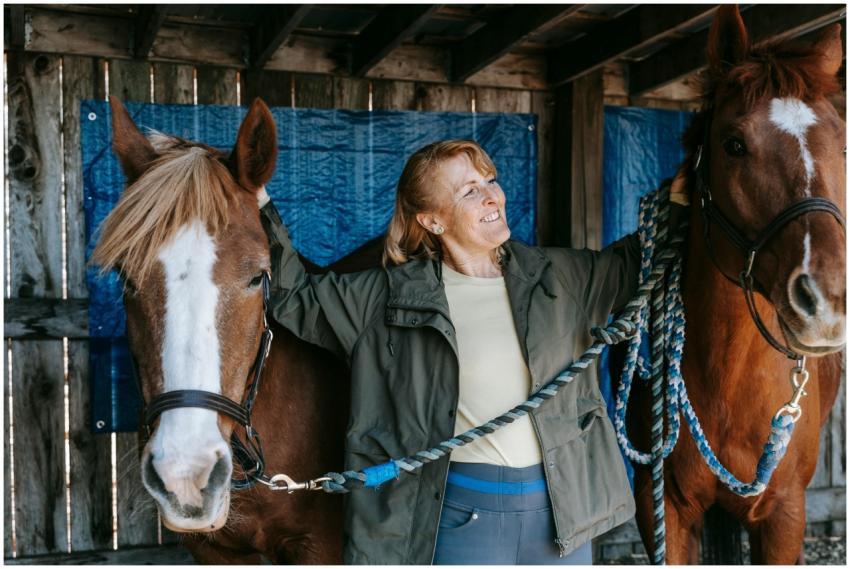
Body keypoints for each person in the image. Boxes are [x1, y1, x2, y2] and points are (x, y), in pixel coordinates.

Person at [259, 139, 687, 564]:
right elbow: (293, 295)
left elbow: (642, 262)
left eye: (490, 180)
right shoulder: (383, 299)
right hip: (461, 516)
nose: (491, 196)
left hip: (561, 517)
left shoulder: (563, 277)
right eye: (468, 190)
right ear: (432, 221)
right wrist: (257, 202)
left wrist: (684, 198)